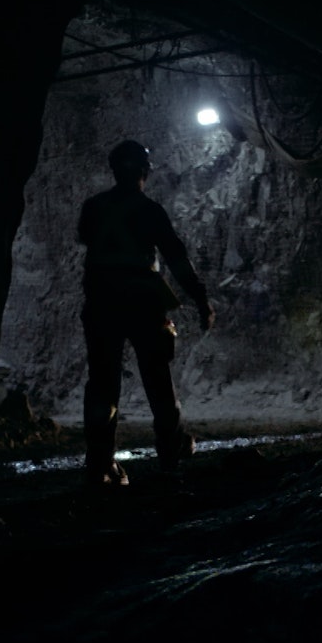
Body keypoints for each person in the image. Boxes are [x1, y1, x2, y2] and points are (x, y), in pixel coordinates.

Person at [77, 140, 216, 489]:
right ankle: (170, 454)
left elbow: (86, 240)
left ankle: (100, 464)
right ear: (145, 171)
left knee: (102, 384)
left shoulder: (93, 208)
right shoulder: (150, 211)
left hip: (101, 305)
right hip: (142, 304)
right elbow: (177, 259)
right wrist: (201, 300)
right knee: (157, 377)